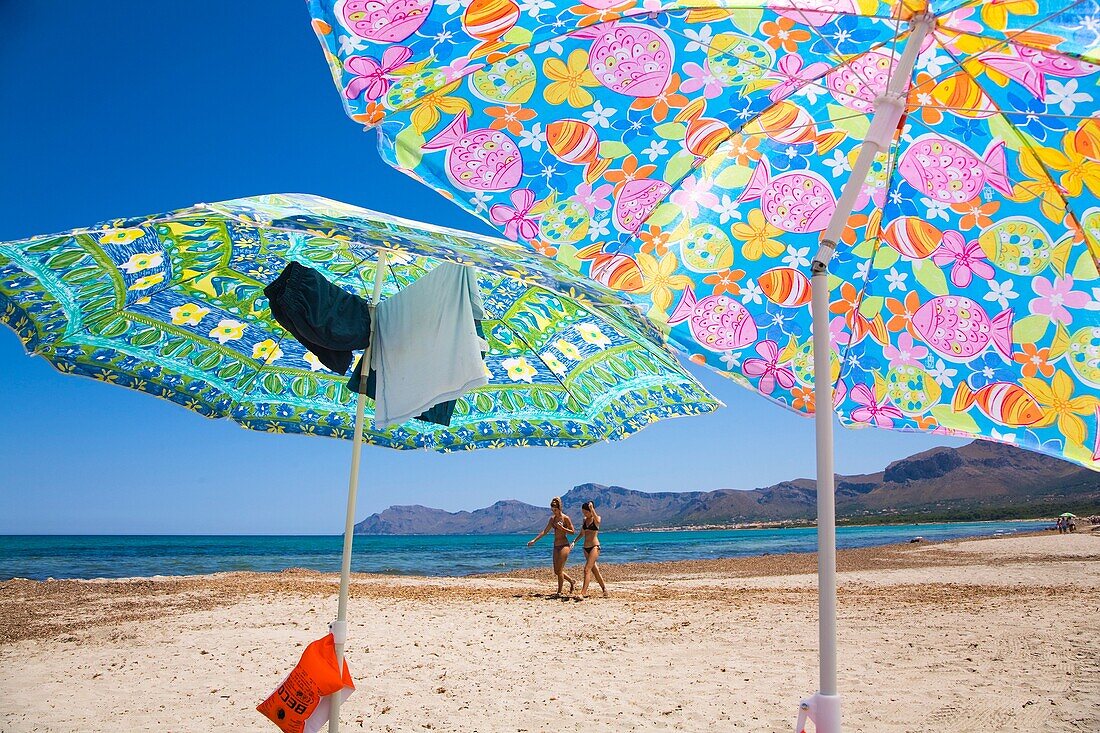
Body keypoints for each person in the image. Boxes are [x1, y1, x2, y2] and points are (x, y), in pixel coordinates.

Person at [527, 497, 576, 597]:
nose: (554, 512)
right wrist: (534, 540)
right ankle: (571, 581)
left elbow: (573, 532)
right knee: (556, 571)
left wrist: (562, 528)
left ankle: (559, 592)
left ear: (559, 508)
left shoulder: (565, 518)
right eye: (552, 510)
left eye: (555, 510)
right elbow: (545, 531)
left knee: (560, 570)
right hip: (556, 546)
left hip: (564, 546)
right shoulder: (552, 519)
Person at [570, 501, 607, 599]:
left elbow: (598, 522)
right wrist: (574, 541)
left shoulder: (597, 518)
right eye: (583, 512)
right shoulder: (584, 520)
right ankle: (604, 589)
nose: (585, 514)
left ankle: (582, 593)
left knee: (587, 569)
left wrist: (592, 509)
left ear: (590, 511)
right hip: (585, 548)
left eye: (586, 512)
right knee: (595, 570)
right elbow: (582, 533)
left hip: (595, 547)